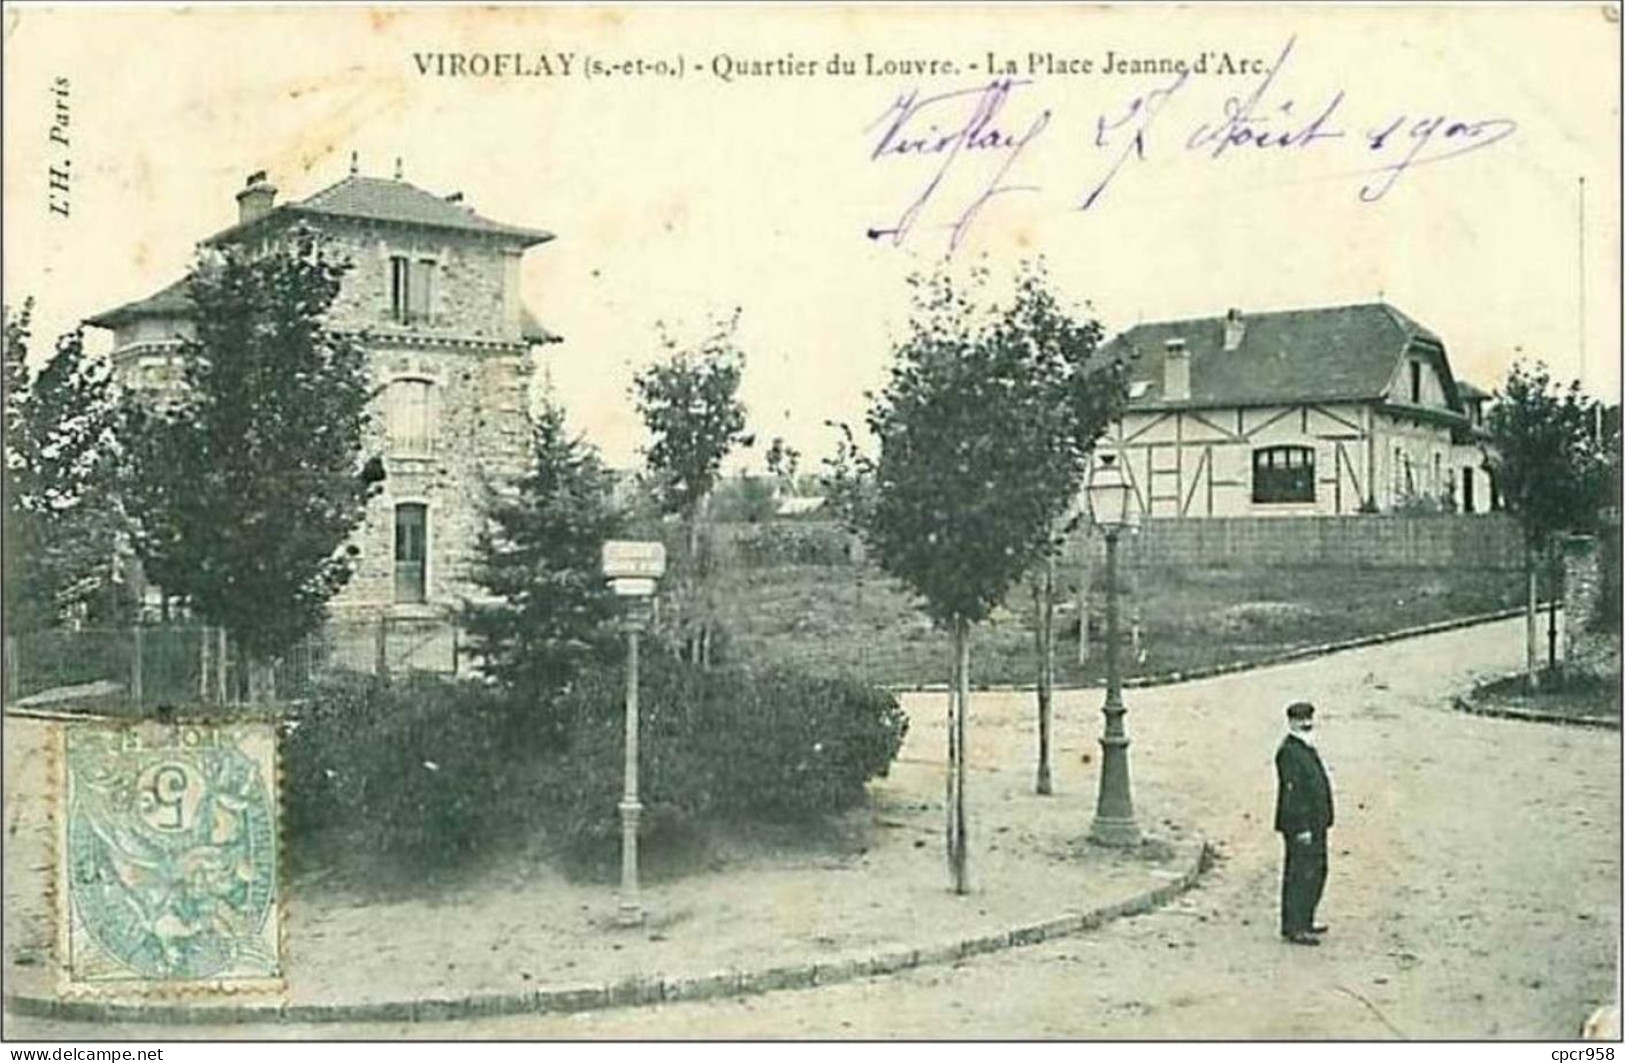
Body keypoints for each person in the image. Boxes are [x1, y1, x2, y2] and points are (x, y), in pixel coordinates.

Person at [1274, 700, 1334, 945]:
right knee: (1300, 874)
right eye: (1301, 720)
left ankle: (1306, 920)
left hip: (1315, 823)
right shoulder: (1289, 752)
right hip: (1302, 826)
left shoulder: (1306, 747)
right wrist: (1301, 828)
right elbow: (1292, 795)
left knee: (1316, 871)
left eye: (1309, 719)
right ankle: (1294, 926)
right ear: (1291, 722)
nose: (1306, 724)